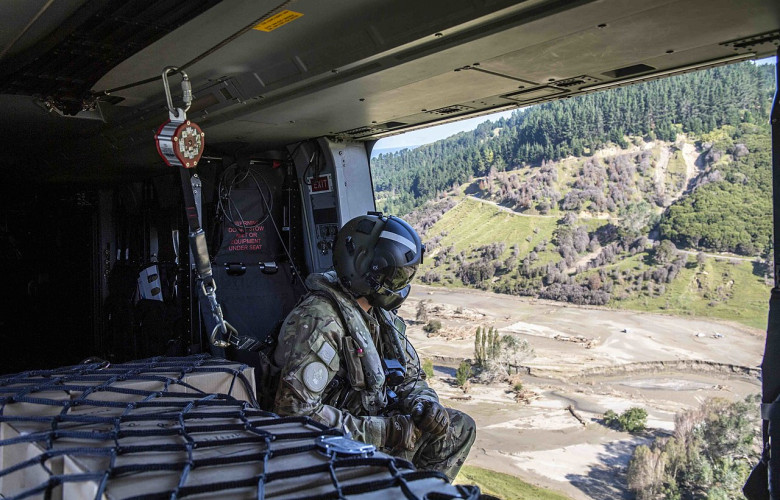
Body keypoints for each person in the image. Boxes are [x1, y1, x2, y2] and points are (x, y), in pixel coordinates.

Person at [272, 213, 475, 479]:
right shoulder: (320, 320)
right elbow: (294, 414)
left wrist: (425, 405)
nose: (401, 287)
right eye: (396, 277)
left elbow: (411, 378)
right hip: (336, 447)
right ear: (367, 272)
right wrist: (386, 431)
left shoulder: (379, 315)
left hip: (375, 424)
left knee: (459, 427)